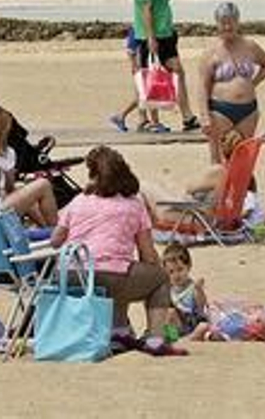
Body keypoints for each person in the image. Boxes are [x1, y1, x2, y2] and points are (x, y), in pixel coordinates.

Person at [51, 146, 178, 354]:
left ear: (93, 175)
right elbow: (148, 254)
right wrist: (153, 271)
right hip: (109, 274)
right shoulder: (134, 205)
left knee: (121, 273)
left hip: (71, 274)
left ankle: (118, 332)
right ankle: (155, 339)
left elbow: (56, 240)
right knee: (153, 277)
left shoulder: (78, 201)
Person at [198, 1, 265, 162]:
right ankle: (218, 187)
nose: (227, 27)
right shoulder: (210, 52)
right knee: (218, 156)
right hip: (220, 109)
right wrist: (204, 116)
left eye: (231, 22)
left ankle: (244, 188)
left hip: (248, 110)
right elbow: (203, 87)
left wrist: (253, 83)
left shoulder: (250, 46)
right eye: (223, 23)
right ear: (217, 24)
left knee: (244, 157)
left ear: (237, 22)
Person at [133, 0, 199, 132]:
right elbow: (145, 10)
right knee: (150, 77)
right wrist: (150, 37)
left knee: (178, 71)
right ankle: (150, 120)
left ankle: (188, 117)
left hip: (167, 36)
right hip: (154, 37)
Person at [107, 29, 165, 133]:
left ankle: (143, 120)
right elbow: (132, 51)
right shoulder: (137, 30)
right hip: (142, 68)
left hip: (144, 67)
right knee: (148, 94)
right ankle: (154, 122)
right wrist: (135, 66)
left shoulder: (139, 29)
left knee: (144, 95)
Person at [161, 243, 212, 341]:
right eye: (171, 272)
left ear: (188, 267)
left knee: (204, 326)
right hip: (177, 325)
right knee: (169, 313)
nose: (176, 275)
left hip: (192, 323)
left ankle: (187, 339)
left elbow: (202, 307)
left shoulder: (192, 287)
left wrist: (199, 290)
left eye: (180, 270)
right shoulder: (169, 288)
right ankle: (173, 339)